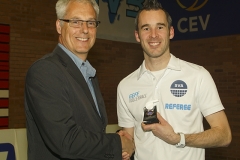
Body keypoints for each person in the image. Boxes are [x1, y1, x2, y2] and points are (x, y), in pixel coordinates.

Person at [116, 0, 232, 160]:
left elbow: (224, 135)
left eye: (160, 27)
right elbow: (130, 141)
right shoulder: (125, 86)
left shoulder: (197, 76)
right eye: (146, 28)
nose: (153, 35)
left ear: (171, 32)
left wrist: (179, 139)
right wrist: (123, 146)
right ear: (137, 35)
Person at [24, 0, 134, 159]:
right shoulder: (45, 71)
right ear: (59, 26)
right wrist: (117, 143)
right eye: (75, 22)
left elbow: (89, 130)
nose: (85, 30)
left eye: (91, 22)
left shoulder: (87, 74)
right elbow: (65, 141)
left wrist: (117, 139)